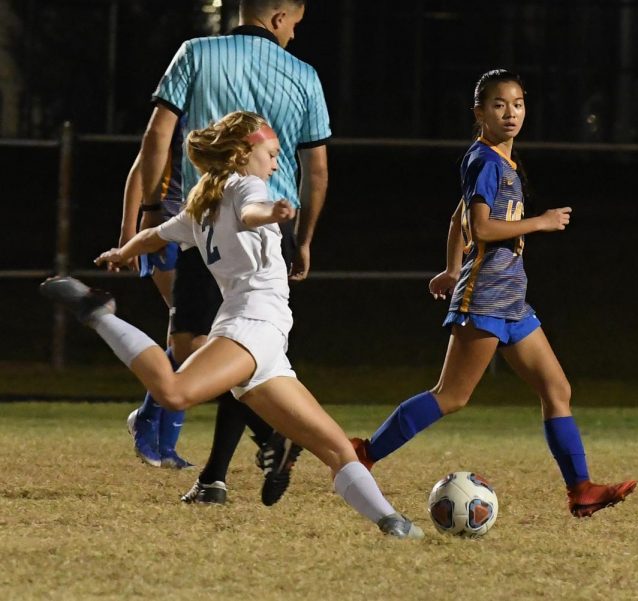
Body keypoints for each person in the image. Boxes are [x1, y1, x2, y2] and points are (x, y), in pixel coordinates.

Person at [42, 112, 423, 540]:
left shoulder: (202, 205)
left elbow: (156, 237)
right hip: (253, 324)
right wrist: (273, 211)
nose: (276, 164)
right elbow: (252, 210)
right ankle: (100, 313)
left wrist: (122, 249)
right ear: (244, 154)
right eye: (272, 154)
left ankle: (395, 524)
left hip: (265, 339)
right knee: (173, 391)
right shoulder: (247, 186)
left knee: (334, 447)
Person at [350, 69, 637, 518]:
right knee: (452, 396)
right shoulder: (485, 161)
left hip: (512, 301)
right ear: (479, 112)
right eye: (499, 104)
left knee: (556, 387)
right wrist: (539, 222)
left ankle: (581, 489)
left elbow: (456, 219)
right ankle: (364, 454)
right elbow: (480, 227)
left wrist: (449, 268)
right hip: (484, 297)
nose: (511, 112)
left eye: (518, 103)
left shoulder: (503, 161)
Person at [125, 0, 330, 505]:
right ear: (280, 18)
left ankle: (262, 440)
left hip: (212, 220)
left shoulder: (196, 52)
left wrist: (149, 208)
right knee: (228, 346)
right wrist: (302, 236)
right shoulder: (303, 75)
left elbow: (157, 136)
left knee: (198, 347)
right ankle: (225, 469)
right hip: (268, 226)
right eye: (296, 26)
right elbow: (317, 169)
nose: (295, 36)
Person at [119, 115, 193, 469]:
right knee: (189, 334)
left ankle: (164, 442)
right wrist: (128, 233)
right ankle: (150, 424)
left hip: (201, 231)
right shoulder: (179, 117)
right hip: (165, 226)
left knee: (191, 339)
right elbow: (139, 168)